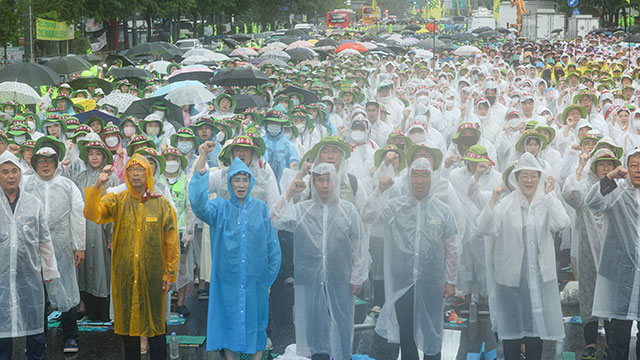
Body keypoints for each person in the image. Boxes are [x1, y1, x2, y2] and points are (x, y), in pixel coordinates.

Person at [84, 154, 179, 360]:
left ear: (149, 173)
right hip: (125, 275)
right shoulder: (117, 200)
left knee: (156, 327)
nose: (136, 174)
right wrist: (97, 186)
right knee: (128, 328)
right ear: (126, 174)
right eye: (131, 170)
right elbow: (93, 213)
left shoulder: (162, 204)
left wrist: (169, 273)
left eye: (140, 170)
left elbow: (171, 242)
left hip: (154, 277)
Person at [364, 158, 458, 360]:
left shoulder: (443, 211)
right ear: (408, 178)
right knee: (406, 334)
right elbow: (368, 215)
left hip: (432, 282)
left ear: (432, 179)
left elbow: (452, 248)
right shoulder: (394, 207)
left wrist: (451, 281)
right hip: (402, 282)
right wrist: (380, 191)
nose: (419, 181)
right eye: (415, 175)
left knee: (433, 331)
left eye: (425, 175)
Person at [273, 163, 369, 360]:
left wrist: (358, 275)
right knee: (314, 330)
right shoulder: (302, 210)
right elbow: (274, 218)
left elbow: (359, 245)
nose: (325, 185)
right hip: (310, 280)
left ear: (336, 182)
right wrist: (290, 192)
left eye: (329, 180)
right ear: (314, 183)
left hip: (341, 279)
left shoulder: (348, 210)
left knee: (341, 327)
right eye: (320, 180)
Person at [479, 152, 570, 360]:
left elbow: (562, 222)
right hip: (511, 280)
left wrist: (550, 195)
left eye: (533, 176)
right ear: (516, 179)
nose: (529, 180)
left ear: (539, 177)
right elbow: (485, 227)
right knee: (511, 334)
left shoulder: (545, 202)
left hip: (538, 278)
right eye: (524, 176)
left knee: (535, 333)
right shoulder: (506, 204)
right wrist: (492, 200)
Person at [190, 157, 281, 360]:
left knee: (257, 324)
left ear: (251, 182)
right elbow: (198, 206)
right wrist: (200, 175)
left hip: (255, 280)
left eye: (245, 180)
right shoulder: (219, 208)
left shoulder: (261, 208)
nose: (241, 185)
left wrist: (268, 278)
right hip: (227, 281)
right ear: (229, 182)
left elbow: (272, 246)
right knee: (228, 321)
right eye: (236, 180)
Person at [22, 137, 86, 354]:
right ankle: (39, 338)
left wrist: (80, 246)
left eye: (50, 160)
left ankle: (71, 337)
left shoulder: (68, 186)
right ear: (35, 163)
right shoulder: (26, 184)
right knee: (37, 294)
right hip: (32, 248)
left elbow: (78, 216)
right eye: (41, 161)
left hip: (61, 247)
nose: (46, 164)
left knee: (66, 290)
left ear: (57, 162)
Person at [0, 151, 59, 360]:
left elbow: (44, 239)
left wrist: (49, 268)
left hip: (29, 275)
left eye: (14, 171)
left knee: (34, 325)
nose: (10, 176)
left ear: (20, 174)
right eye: (5, 171)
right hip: (2, 276)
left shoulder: (34, 204)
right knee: (2, 327)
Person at [563, 148, 618, 358]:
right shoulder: (585, 185)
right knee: (589, 295)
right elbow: (570, 194)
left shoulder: (618, 187)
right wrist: (579, 166)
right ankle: (591, 343)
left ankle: (612, 342)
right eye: (601, 163)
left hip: (612, 252)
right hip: (587, 250)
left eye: (610, 164)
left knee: (612, 296)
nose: (606, 168)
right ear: (594, 166)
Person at [585, 148, 640, 360]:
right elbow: (593, 202)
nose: (638, 170)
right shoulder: (617, 192)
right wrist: (609, 177)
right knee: (618, 338)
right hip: (621, 276)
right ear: (626, 168)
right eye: (634, 166)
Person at [72, 140, 120, 321]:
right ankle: (83, 303)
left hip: (102, 228)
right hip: (83, 226)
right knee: (83, 267)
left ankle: (104, 308)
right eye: (91, 153)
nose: (94, 157)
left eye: (98, 154)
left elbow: (114, 208)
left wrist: (112, 235)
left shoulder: (112, 178)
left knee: (103, 267)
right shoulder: (80, 177)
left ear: (104, 156)